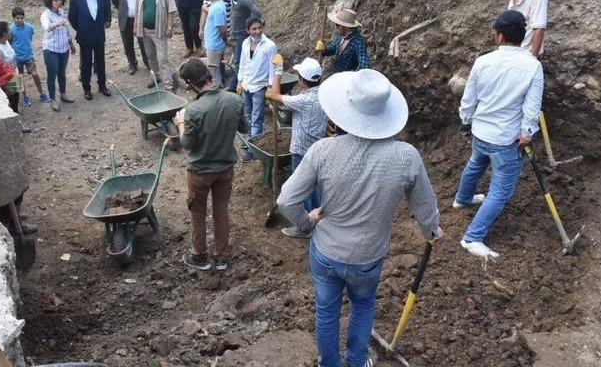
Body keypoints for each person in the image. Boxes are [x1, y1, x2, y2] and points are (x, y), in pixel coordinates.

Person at [277, 68, 442, 367]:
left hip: (327, 251)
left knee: (326, 312)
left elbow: (286, 200)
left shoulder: (322, 151)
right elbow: (426, 208)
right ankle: (356, 361)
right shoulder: (406, 156)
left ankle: (328, 363)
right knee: (363, 306)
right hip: (368, 256)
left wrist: (306, 222)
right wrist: (430, 231)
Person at [454, 10, 543, 260]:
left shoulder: (482, 61)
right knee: (500, 191)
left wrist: (466, 119)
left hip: (481, 131)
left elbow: (469, 97)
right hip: (506, 139)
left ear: (500, 36)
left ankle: (462, 199)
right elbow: (532, 107)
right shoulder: (533, 67)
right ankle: (472, 237)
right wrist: (527, 133)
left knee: (475, 164)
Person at [173, 58, 248, 271]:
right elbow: (244, 127)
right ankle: (222, 257)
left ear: (190, 83)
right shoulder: (234, 100)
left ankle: (199, 257)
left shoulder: (194, 110)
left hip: (200, 172)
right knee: (221, 211)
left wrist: (180, 124)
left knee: (198, 212)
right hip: (225, 169)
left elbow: (187, 145)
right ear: (208, 75)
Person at [266, 56, 327, 238]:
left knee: (302, 190)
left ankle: (306, 226)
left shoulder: (303, 100)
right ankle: (319, 219)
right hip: (319, 149)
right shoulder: (324, 94)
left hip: (301, 151)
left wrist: (278, 70)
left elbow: (275, 95)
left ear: (302, 80)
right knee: (315, 187)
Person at [236, 17, 276, 161]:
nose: (257, 31)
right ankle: (250, 142)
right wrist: (240, 81)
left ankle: (253, 150)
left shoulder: (269, 46)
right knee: (247, 115)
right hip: (247, 85)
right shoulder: (245, 43)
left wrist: (271, 87)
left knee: (257, 118)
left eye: (259, 28)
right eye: (254, 29)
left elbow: (273, 67)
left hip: (260, 86)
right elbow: (243, 63)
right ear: (248, 30)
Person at [135, 0, 178, 91]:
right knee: (150, 56)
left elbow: (171, 10)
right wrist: (136, 26)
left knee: (163, 59)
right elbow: (138, 10)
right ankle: (156, 77)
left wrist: (170, 27)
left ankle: (168, 85)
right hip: (145, 30)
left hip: (159, 31)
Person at [69, 0, 111, 100]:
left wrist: (106, 22)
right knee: (86, 64)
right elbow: (72, 18)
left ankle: (102, 86)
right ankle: (86, 89)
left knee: (101, 62)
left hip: (99, 34)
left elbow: (107, 11)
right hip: (85, 36)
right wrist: (81, 29)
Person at [222, 0, 261, 92]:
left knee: (238, 61)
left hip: (241, 35)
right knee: (237, 61)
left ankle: (235, 86)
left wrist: (248, 28)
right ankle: (236, 85)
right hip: (235, 35)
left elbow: (256, 12)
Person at [41, 0, 77, 112]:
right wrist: (57, 23)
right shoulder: (45, 15)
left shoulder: (62, 12)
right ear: (50, 2)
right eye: (55, 0)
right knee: (52, 74)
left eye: (60, 0)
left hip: (64, 48)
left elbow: (66, 29)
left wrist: (71, 43)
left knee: (62, 72)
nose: (58, 2)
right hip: (51, 49)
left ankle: (63, 94)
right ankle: (52, 100)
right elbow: (47, 28)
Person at [111, 0, 148, 75]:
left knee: (143, 42)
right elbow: (116, 3)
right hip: (125, 20)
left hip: (140, 19)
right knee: (127, 44)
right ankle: (132, 63)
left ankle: (148, 63)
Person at [10, 7, 50, 106]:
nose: (19, 20)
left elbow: (30, 37)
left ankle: (41, 93)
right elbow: (10, 43)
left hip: (28, 56)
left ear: (24, 17)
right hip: (17, 58)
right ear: (13, 18)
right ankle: (25, 97)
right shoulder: (10, 30)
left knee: (35, 74)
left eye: (21, 18)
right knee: (19, 78)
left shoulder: (29, 27)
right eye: (17, 18)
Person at [315, 8, 370, 74]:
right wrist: (323, 49)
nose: (336, 27)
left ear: (345, 26)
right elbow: (331, 50)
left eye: (338, 25)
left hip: (347, 80)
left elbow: (364, 65)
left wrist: (353, 77)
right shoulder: (341, 37)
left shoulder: (359, 42)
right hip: (336, 76)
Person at [200, 0, 229, 89]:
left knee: (213, 73)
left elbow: (222, 28)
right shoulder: (217, 3)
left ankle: (217, 91)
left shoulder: (216, 8)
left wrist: (225, 40)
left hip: (214, 45)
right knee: (215, 70)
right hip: (215, 43)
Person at [0, 21, 21, 113]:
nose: (11, 32)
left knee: (16, 100)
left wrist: (17, 74)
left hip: (14, 75)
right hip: (7, 80)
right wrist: (6, 86)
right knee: (11, 103)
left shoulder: (6, 42)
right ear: (4, 34)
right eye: (9, 30)